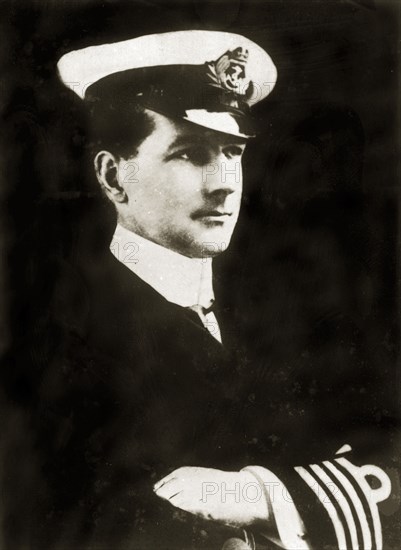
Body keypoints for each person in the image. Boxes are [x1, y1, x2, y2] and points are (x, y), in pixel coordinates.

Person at [24, 30, 393, 549]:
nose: (224, 182)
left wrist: (255, 495)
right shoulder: (53, 340)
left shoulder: (291, 310)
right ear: (112, 177)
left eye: (233, 151)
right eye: (190, 154)